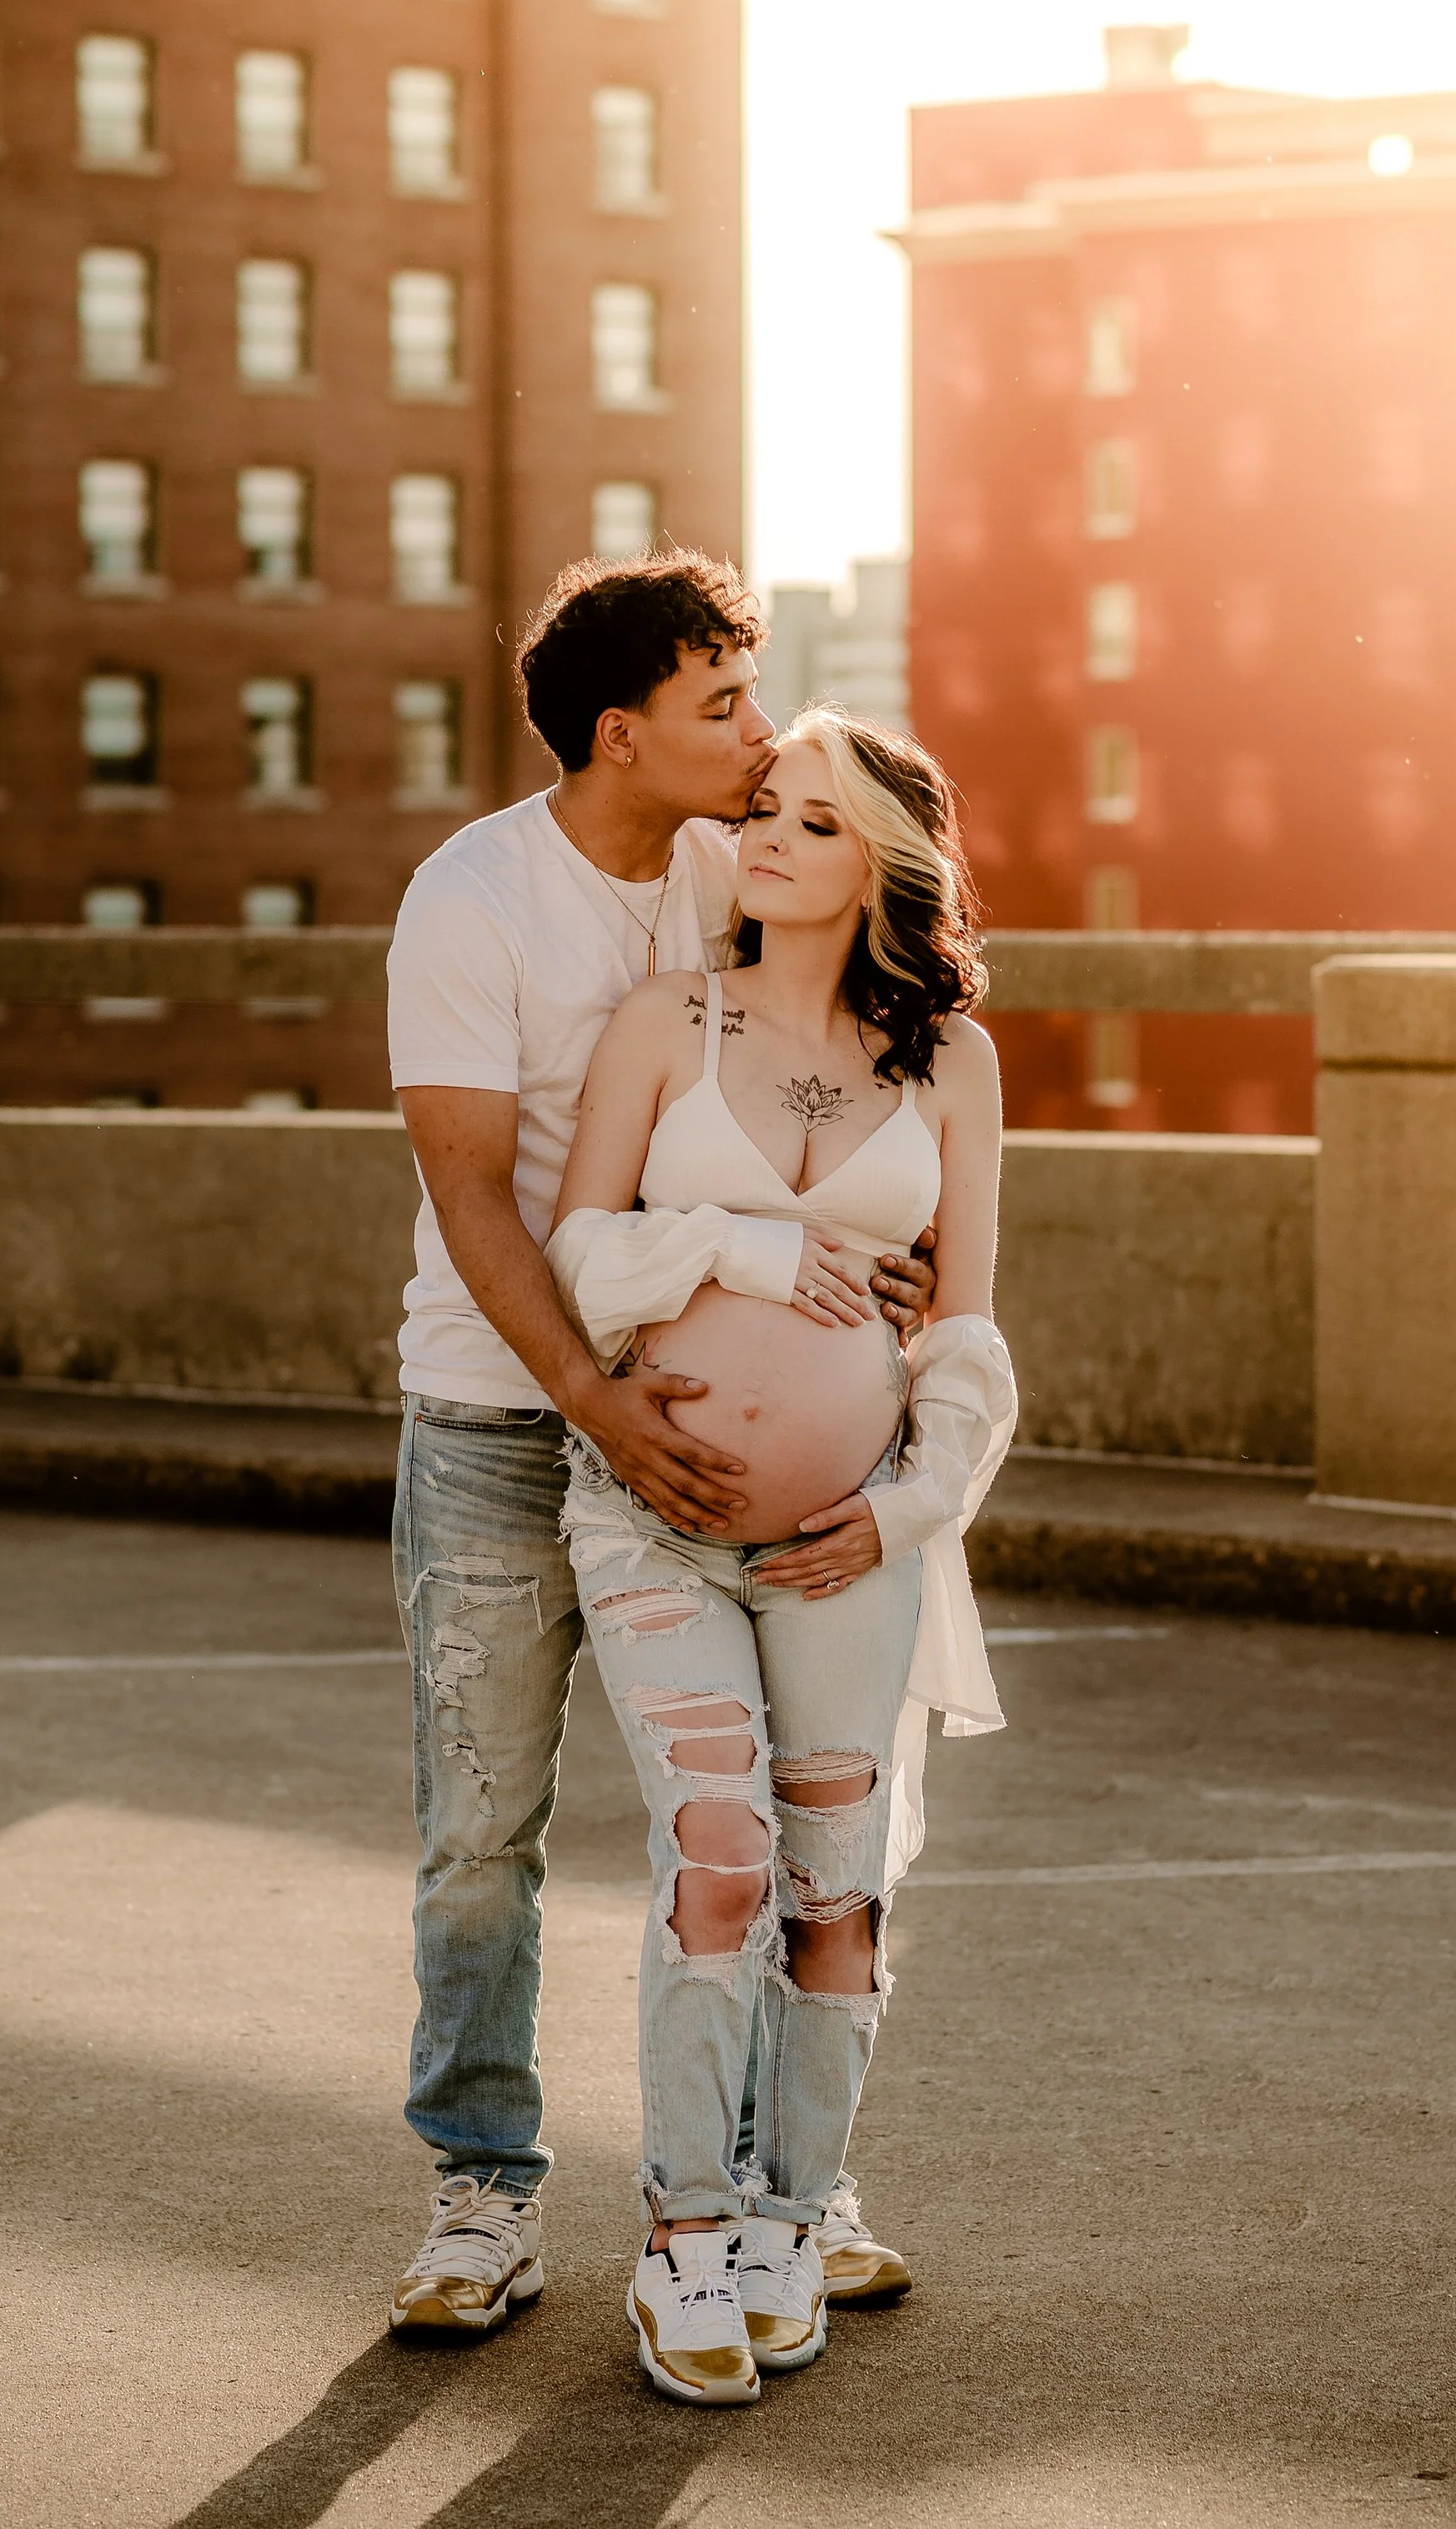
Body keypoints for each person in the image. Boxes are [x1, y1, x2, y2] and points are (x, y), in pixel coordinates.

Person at [384, 555, 939, 2337]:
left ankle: (796, 2178)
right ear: (619, 732)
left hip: (723, 1446)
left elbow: (842, 1060)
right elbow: (474, 1192)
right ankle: (481, 2192)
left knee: (771, 1827)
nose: (757, 737)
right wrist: (593, 1395)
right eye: (719, 705)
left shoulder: (745, 857)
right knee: (485, 1827)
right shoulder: (472, 897)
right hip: (496, 1407)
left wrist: (884, 1236)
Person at [545, 706, 1015, 2403]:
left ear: (880, 865)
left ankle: (790, 2219)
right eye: (763, 809)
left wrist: (899, 1507)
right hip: (654, 1516)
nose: (765, 837)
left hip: (855, 1542)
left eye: (811, 822)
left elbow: (961, 1335)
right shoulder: (665, 1021)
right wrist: (736, 1238)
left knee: (839, 1892)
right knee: (720, 1848)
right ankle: (678, 2235)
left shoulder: (945, 1063)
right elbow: (580, 1253)